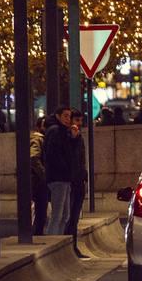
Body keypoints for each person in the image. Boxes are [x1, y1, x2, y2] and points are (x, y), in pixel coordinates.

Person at [43, 106, 77, 237]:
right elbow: (54, 154)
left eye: (69, 116)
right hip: (58, 177)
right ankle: (53, 240)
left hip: (64, 177)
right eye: (65, 116)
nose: (68, 119)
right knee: (58, 214)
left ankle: (58, 240)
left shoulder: (62, 131)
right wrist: (65, 168)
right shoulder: (55, 131)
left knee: (64, 214)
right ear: (58, 116)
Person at [64, 111, 89, 257]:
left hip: (79, 180)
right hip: (73, 181)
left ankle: (73, 247)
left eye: (80, 120)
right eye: (76, 120)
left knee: (74, 217)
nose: (79, 123)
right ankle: (70, 247)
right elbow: (70, 156)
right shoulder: (70, 136)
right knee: (70, 216)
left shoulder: (78, 137)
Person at [29, 115, 50, 235]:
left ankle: (37, 232)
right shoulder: (37, 139)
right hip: (37, 180)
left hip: (37, 179)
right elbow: (33, 157)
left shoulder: (41, 138)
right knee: (40, 209)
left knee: (41, 210)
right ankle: (36, 233)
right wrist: (44, 175)